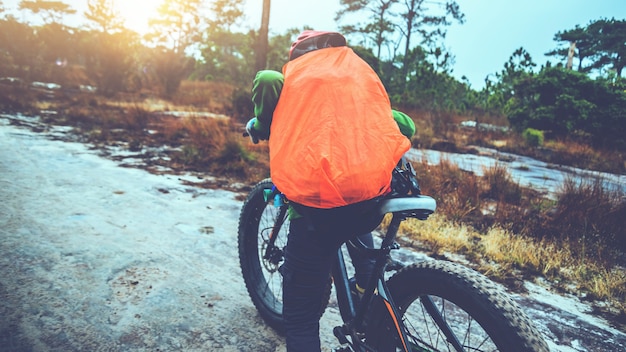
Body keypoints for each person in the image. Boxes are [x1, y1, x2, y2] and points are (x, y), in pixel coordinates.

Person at [245, 30, 415, 352]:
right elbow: (406, 126)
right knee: (356, 215)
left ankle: (362, 309)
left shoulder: (293, 80)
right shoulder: (356, 77)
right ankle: (367, 297)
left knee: (300, 319)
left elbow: (267, 79)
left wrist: (259, 123)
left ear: (298, 54)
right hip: (369, 202)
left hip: (316, 214)